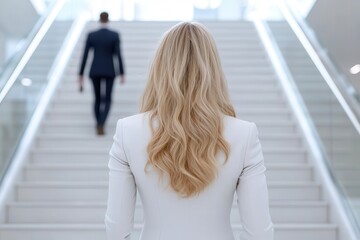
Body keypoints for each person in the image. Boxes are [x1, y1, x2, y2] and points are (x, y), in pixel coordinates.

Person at [105, 22, 273, 240]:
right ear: (213, 69)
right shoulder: (244, 134)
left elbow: (116, 229)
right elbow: (260, 233)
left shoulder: (127, 131)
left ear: (159, 68)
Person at [78, 12, 125, 135]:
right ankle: (102, 123)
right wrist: (122, 72)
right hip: (110, 71)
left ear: (99, 20)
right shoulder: (114, 35)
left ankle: (98, 122)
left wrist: (81, 73)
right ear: (108, 20)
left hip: (95, 70)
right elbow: (118, 55)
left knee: (97, 99)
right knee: (108, 99)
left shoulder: (92, 35)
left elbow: (85, 55)